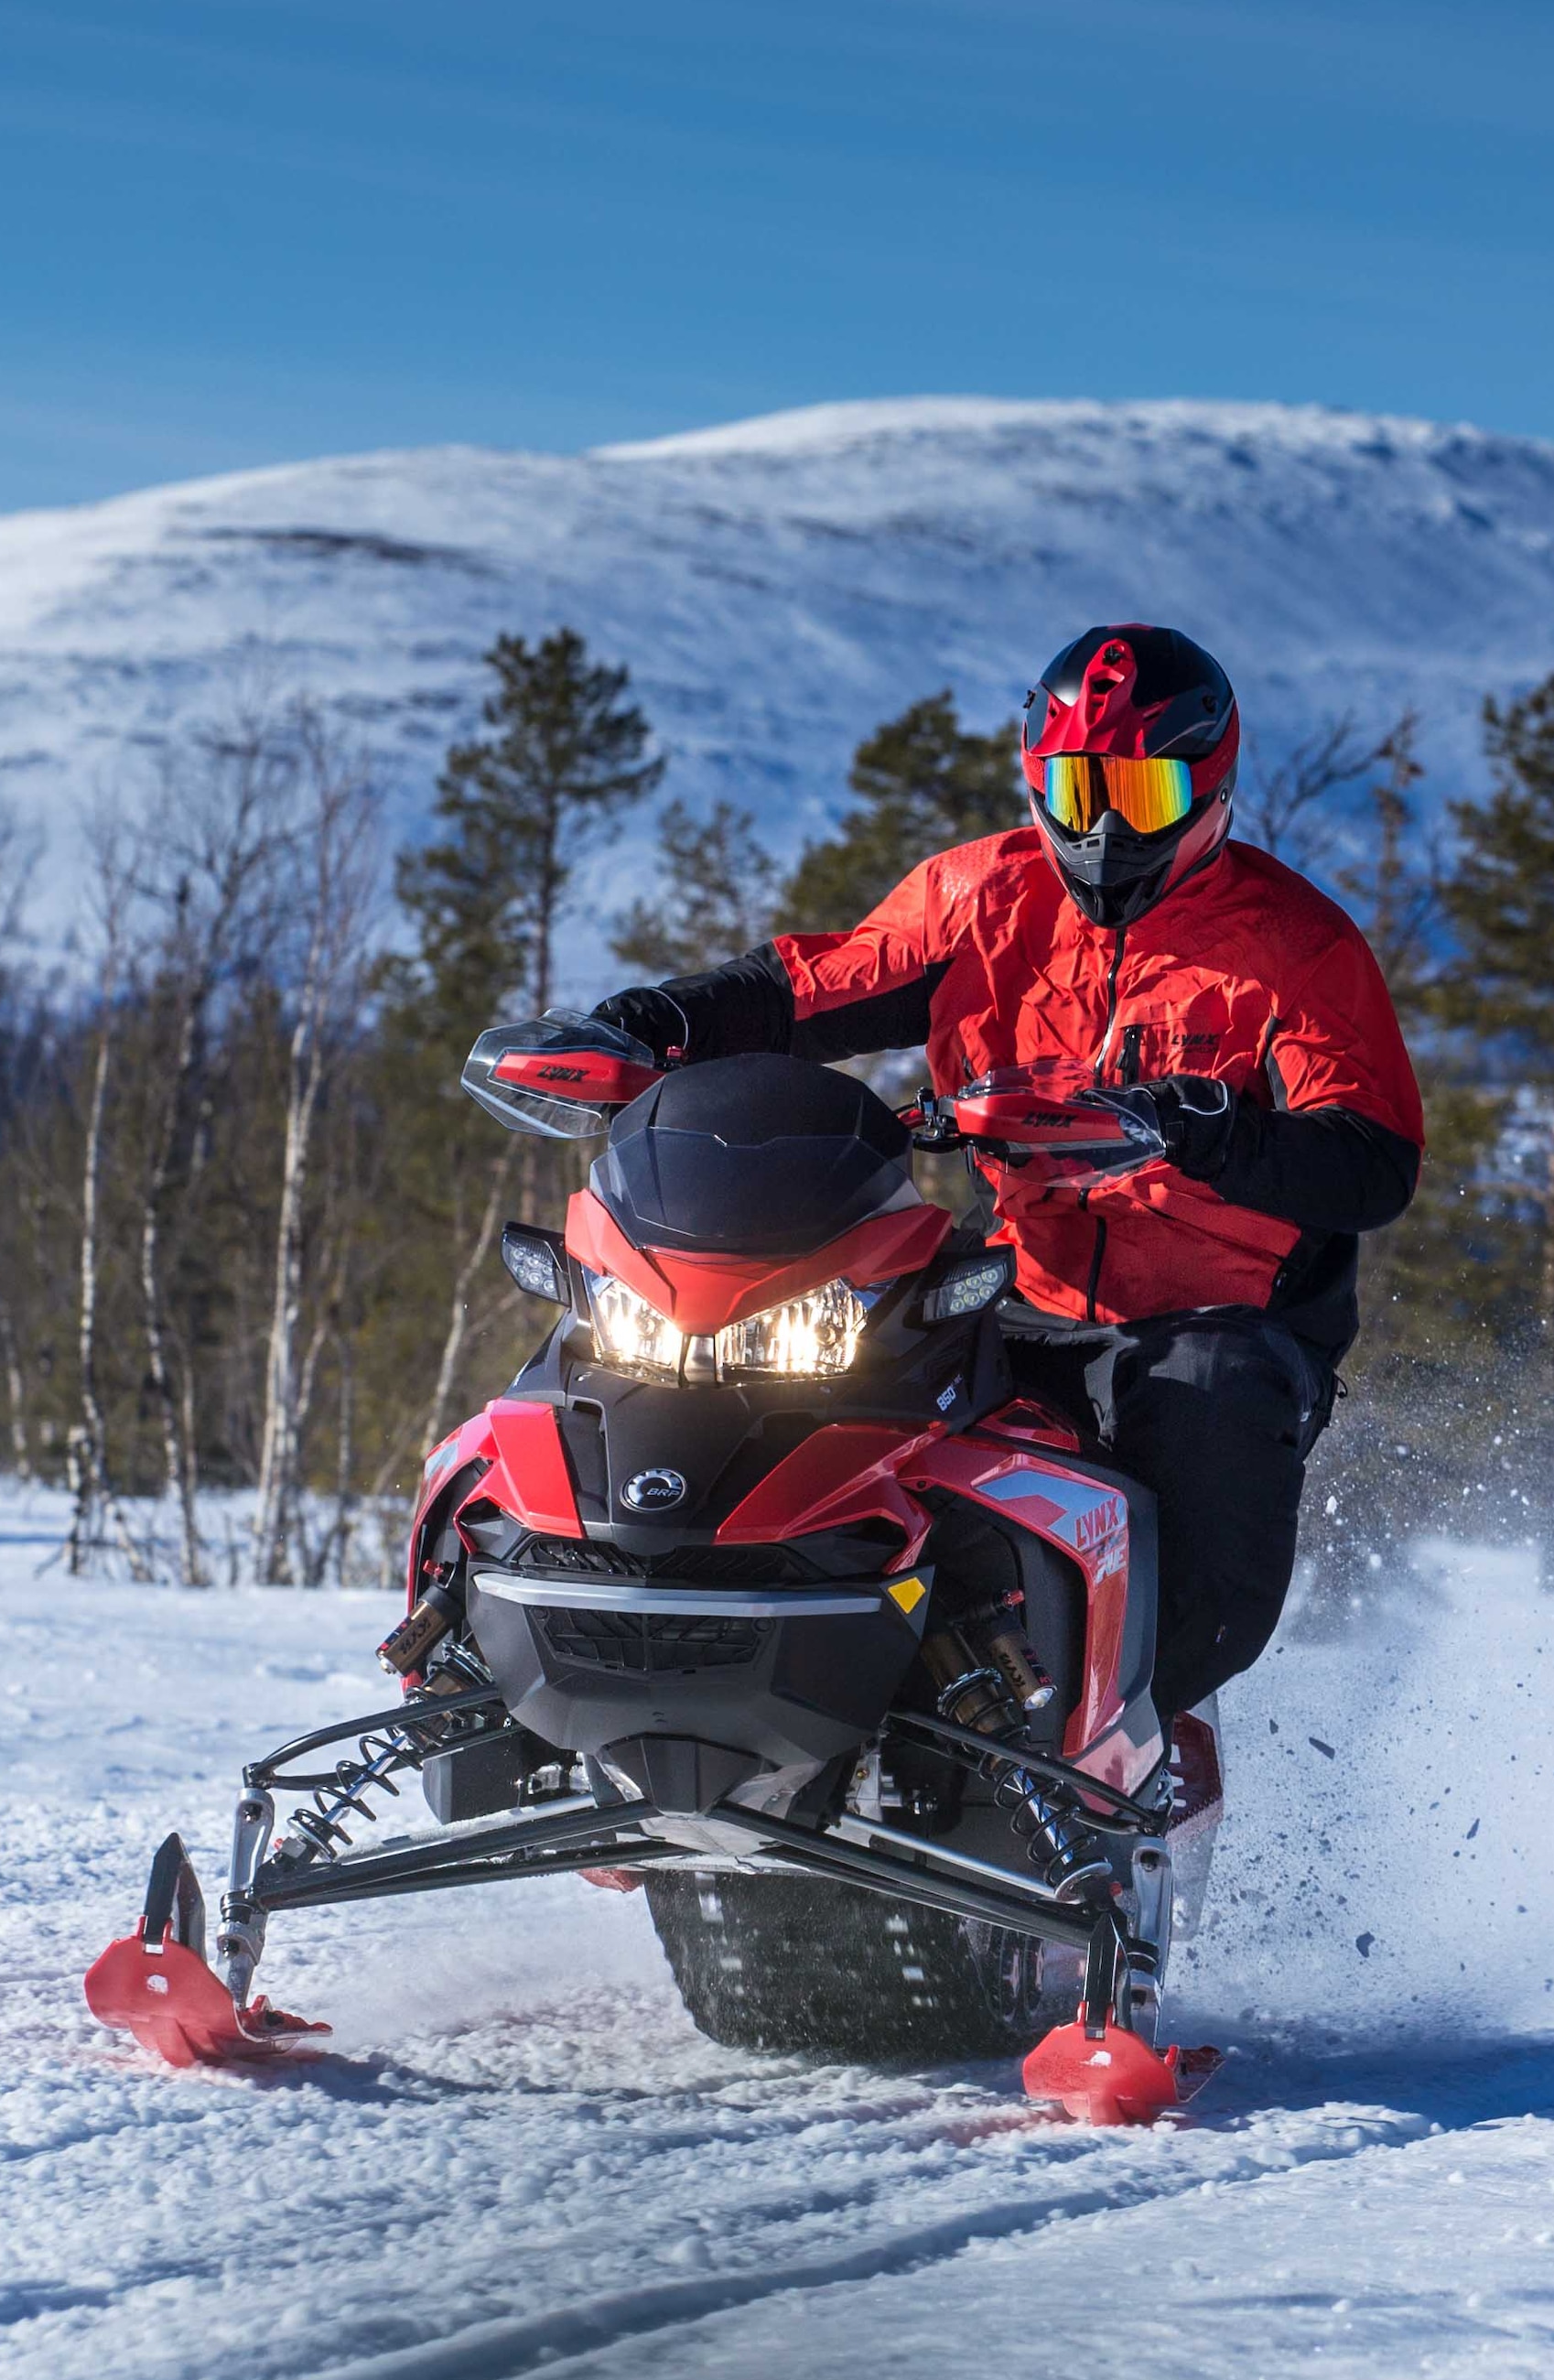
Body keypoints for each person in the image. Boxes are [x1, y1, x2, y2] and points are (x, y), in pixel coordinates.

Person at [587, 624, 1419, 1716]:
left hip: (1213, 1321)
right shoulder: (980, 895)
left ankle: (1105, 1751)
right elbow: (809, 987)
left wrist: (1211, 1130)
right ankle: (737, 1685)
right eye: (1076, 790)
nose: (1105, 825)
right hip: (1015, 1287)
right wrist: (660, 1020)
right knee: (797, 1382)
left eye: (1139, 791)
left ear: (1210, 785)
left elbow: (1370, 1164)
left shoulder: (1296, 947)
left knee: (1205, 1438)